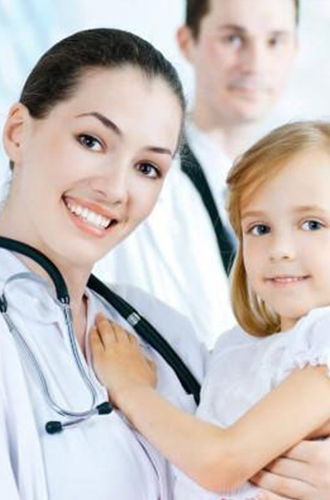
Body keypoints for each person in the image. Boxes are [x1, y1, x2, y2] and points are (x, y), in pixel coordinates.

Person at [0, 29, 330, 500]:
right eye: (91, 141)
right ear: (18, 132)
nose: (115, 188)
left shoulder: (161, 333)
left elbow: (246, 448)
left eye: (147, 167)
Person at [90, 120, 330, 499]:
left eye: (312, 224)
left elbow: (221, 464)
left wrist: (131, 388)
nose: (279, 249)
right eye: (260, 228)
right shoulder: (236, 348)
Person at [104, 0, 299, 347]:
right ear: (187, 42)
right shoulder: (133, 183)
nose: (255, 64)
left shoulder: (305, 192)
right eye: (233, 39)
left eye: (275, 41)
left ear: (294, 48)